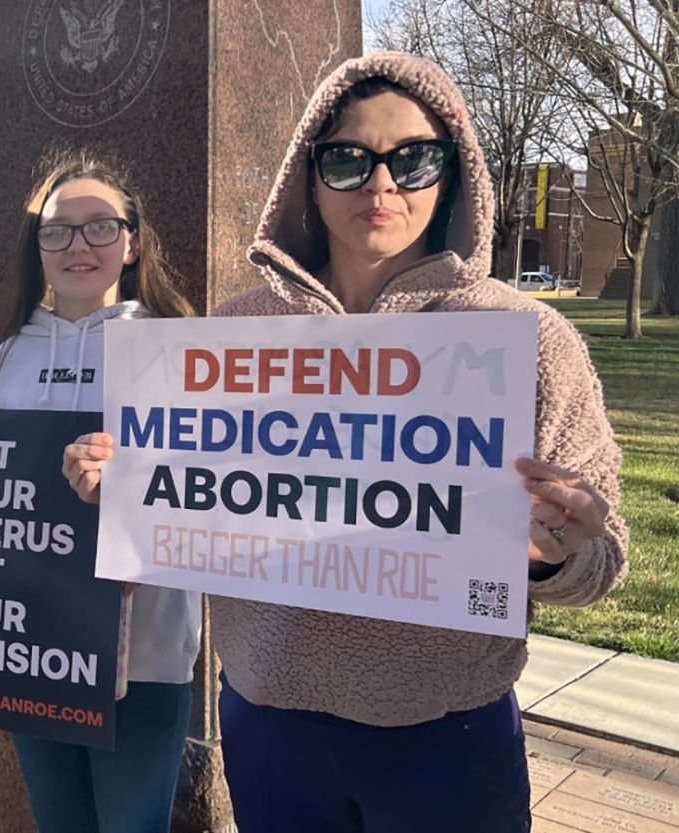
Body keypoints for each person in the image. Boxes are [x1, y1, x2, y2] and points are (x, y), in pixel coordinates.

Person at [62, 53, 628, 833]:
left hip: (446, 731)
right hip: (267, 723)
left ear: (453, 172)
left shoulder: (527, 340)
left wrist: (558, 551)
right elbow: (185, 507)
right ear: (309, 172)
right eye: (348, 159)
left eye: (413, 159)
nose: (380, 184)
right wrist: (118, 486)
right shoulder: (232, 334)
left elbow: (602, 558)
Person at [0, 154, 201, 833]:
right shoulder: (11, 351)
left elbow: (213, 496)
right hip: (32, 644)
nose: (78, 246)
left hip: (147, 652)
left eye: (99, 227)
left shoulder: (179, 342)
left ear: (132, 241)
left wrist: (129, 487)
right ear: (35, 245)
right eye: (56, 230)